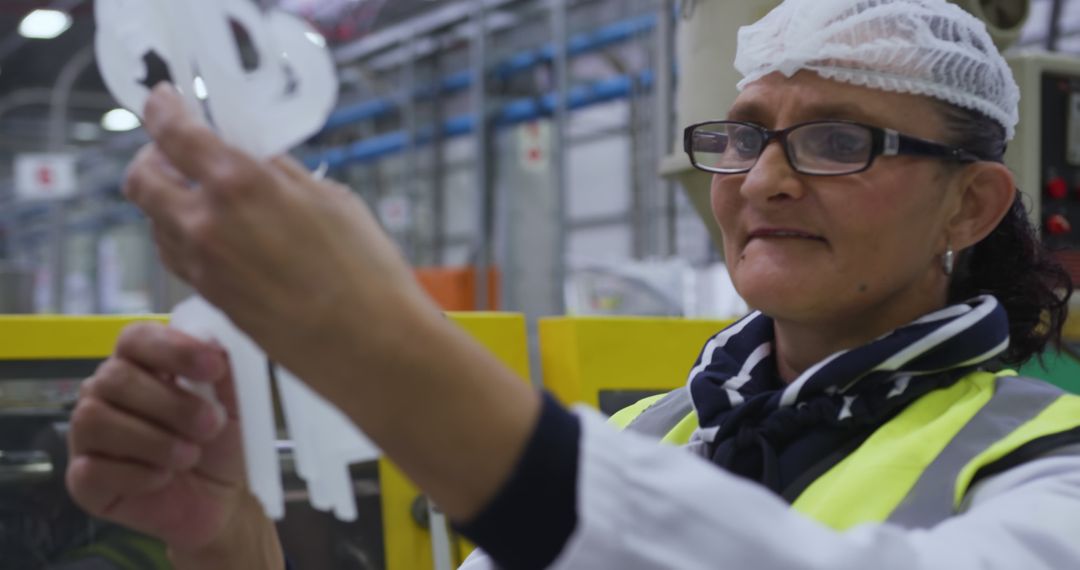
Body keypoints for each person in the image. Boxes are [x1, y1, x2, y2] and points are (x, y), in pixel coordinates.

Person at [65, 0, 1080, 568]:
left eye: (834, 140)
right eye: (743, 137)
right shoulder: (647, 436)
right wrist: (228, 537)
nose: (763, 179)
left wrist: (376, 345)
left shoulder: (1049, 471)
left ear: (971, 205)